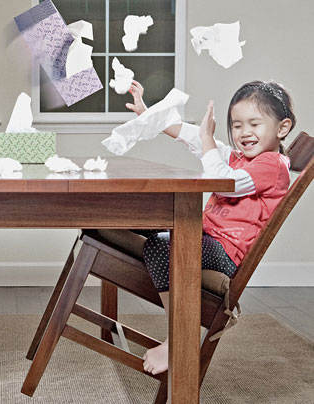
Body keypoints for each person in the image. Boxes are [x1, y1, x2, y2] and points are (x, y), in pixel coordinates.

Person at [125, 80, 295, 375]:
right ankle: (178, 331)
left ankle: (179, 335)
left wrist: (208, 140)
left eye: (254, 124)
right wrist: (147, 113)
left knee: (161, 244)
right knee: (146, 222)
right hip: (206, 239)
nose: (244, 133)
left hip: (226, 254)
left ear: (282, 128)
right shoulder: (241, 159)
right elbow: (192, 137)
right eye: (237, 125)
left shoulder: (272, 165)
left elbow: (224, 183)